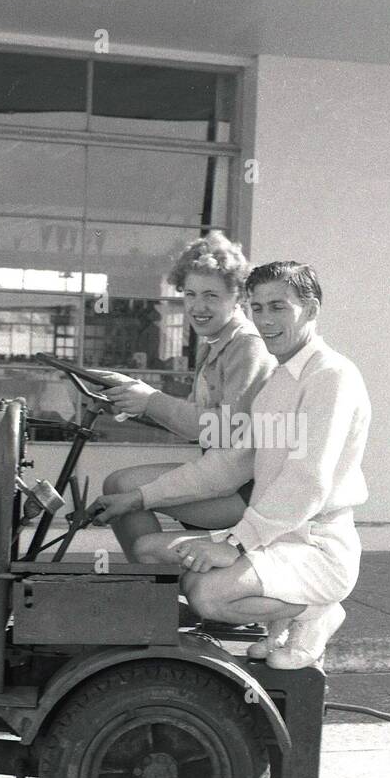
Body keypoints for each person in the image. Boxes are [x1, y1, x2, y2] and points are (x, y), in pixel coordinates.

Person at [90, 262, 371, 670]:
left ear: (310, 310)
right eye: (257, 308)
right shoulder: (279, 381)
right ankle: (277, 616)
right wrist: (137, 498)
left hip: (317, 546)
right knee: (147, 550)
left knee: (207, 594)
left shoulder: (331, 376)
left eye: (278, 307)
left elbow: (307, 483)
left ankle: (315, 612)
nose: (265, 320)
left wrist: (233, 544)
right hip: (278, 537)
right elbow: (229, 466)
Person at [90, 232, 277, 559]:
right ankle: (155, 579)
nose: (197, 307)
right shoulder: (217, 343)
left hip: (248, 489)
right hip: (223, 474)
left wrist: (151, 401)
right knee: (118, 484)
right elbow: (195, 421)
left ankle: (155, 581)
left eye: (210, 296)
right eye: (189, 294)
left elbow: (226, 429)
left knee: (121, 487)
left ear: (238, 298)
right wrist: (132, 401)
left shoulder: (248, 346)